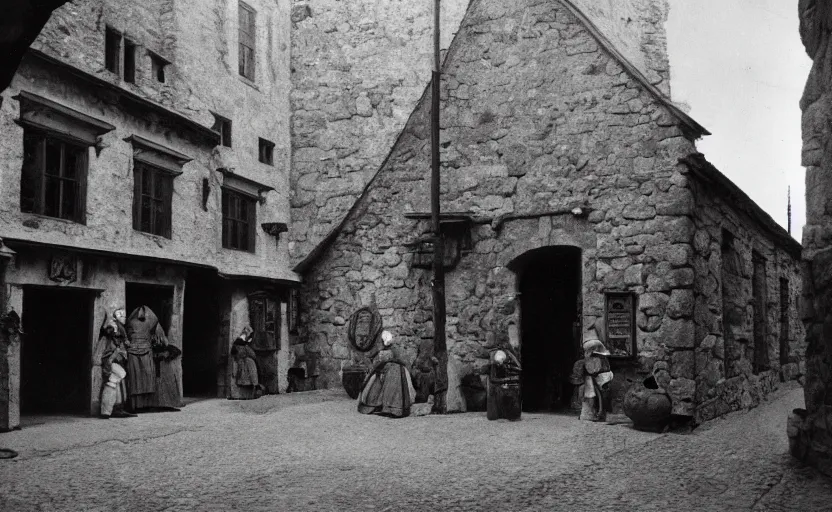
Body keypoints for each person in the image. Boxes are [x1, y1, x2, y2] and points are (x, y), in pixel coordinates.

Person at [357, 330, 416, 418]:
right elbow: (371, 359)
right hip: (384, 370)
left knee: (393, 387)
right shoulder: (381, 349)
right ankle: (379, 406)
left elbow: (403, 361)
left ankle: (392, 408)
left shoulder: (395, 350)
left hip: (396, 372)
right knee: (376, 387)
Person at [96, 308, 136, 419]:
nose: (124, 319)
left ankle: (114, 409)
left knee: (117, 380)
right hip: (111, 358)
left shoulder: (120, 328)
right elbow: (109, 332)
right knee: (115, 379)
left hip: (116, 357)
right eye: (122, 316)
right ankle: (108, 410)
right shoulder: (114, 326)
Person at [125, 305, 163, 412]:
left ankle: (137, 405)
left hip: (134, 351)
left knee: (137, 379)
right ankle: (144, 405)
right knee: (146, 378)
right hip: (144, 351)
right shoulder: (150, 322)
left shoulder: (130, 323)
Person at [570, 329, 614, 422]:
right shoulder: (593, 359)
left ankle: (598, 413)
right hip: (593, 379)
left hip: (599, 378)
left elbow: (596, 370)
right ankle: (593, 413)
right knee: (591, 394)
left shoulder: (599, 359)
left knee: (597, 394)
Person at [228, 326, 262, 400]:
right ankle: (249, 395)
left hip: (242, 361)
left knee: (247, 377)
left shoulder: (239, 343)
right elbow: (252, 354)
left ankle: (248, 395)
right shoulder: (244, 344)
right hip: (246, 361)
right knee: (251, 376)